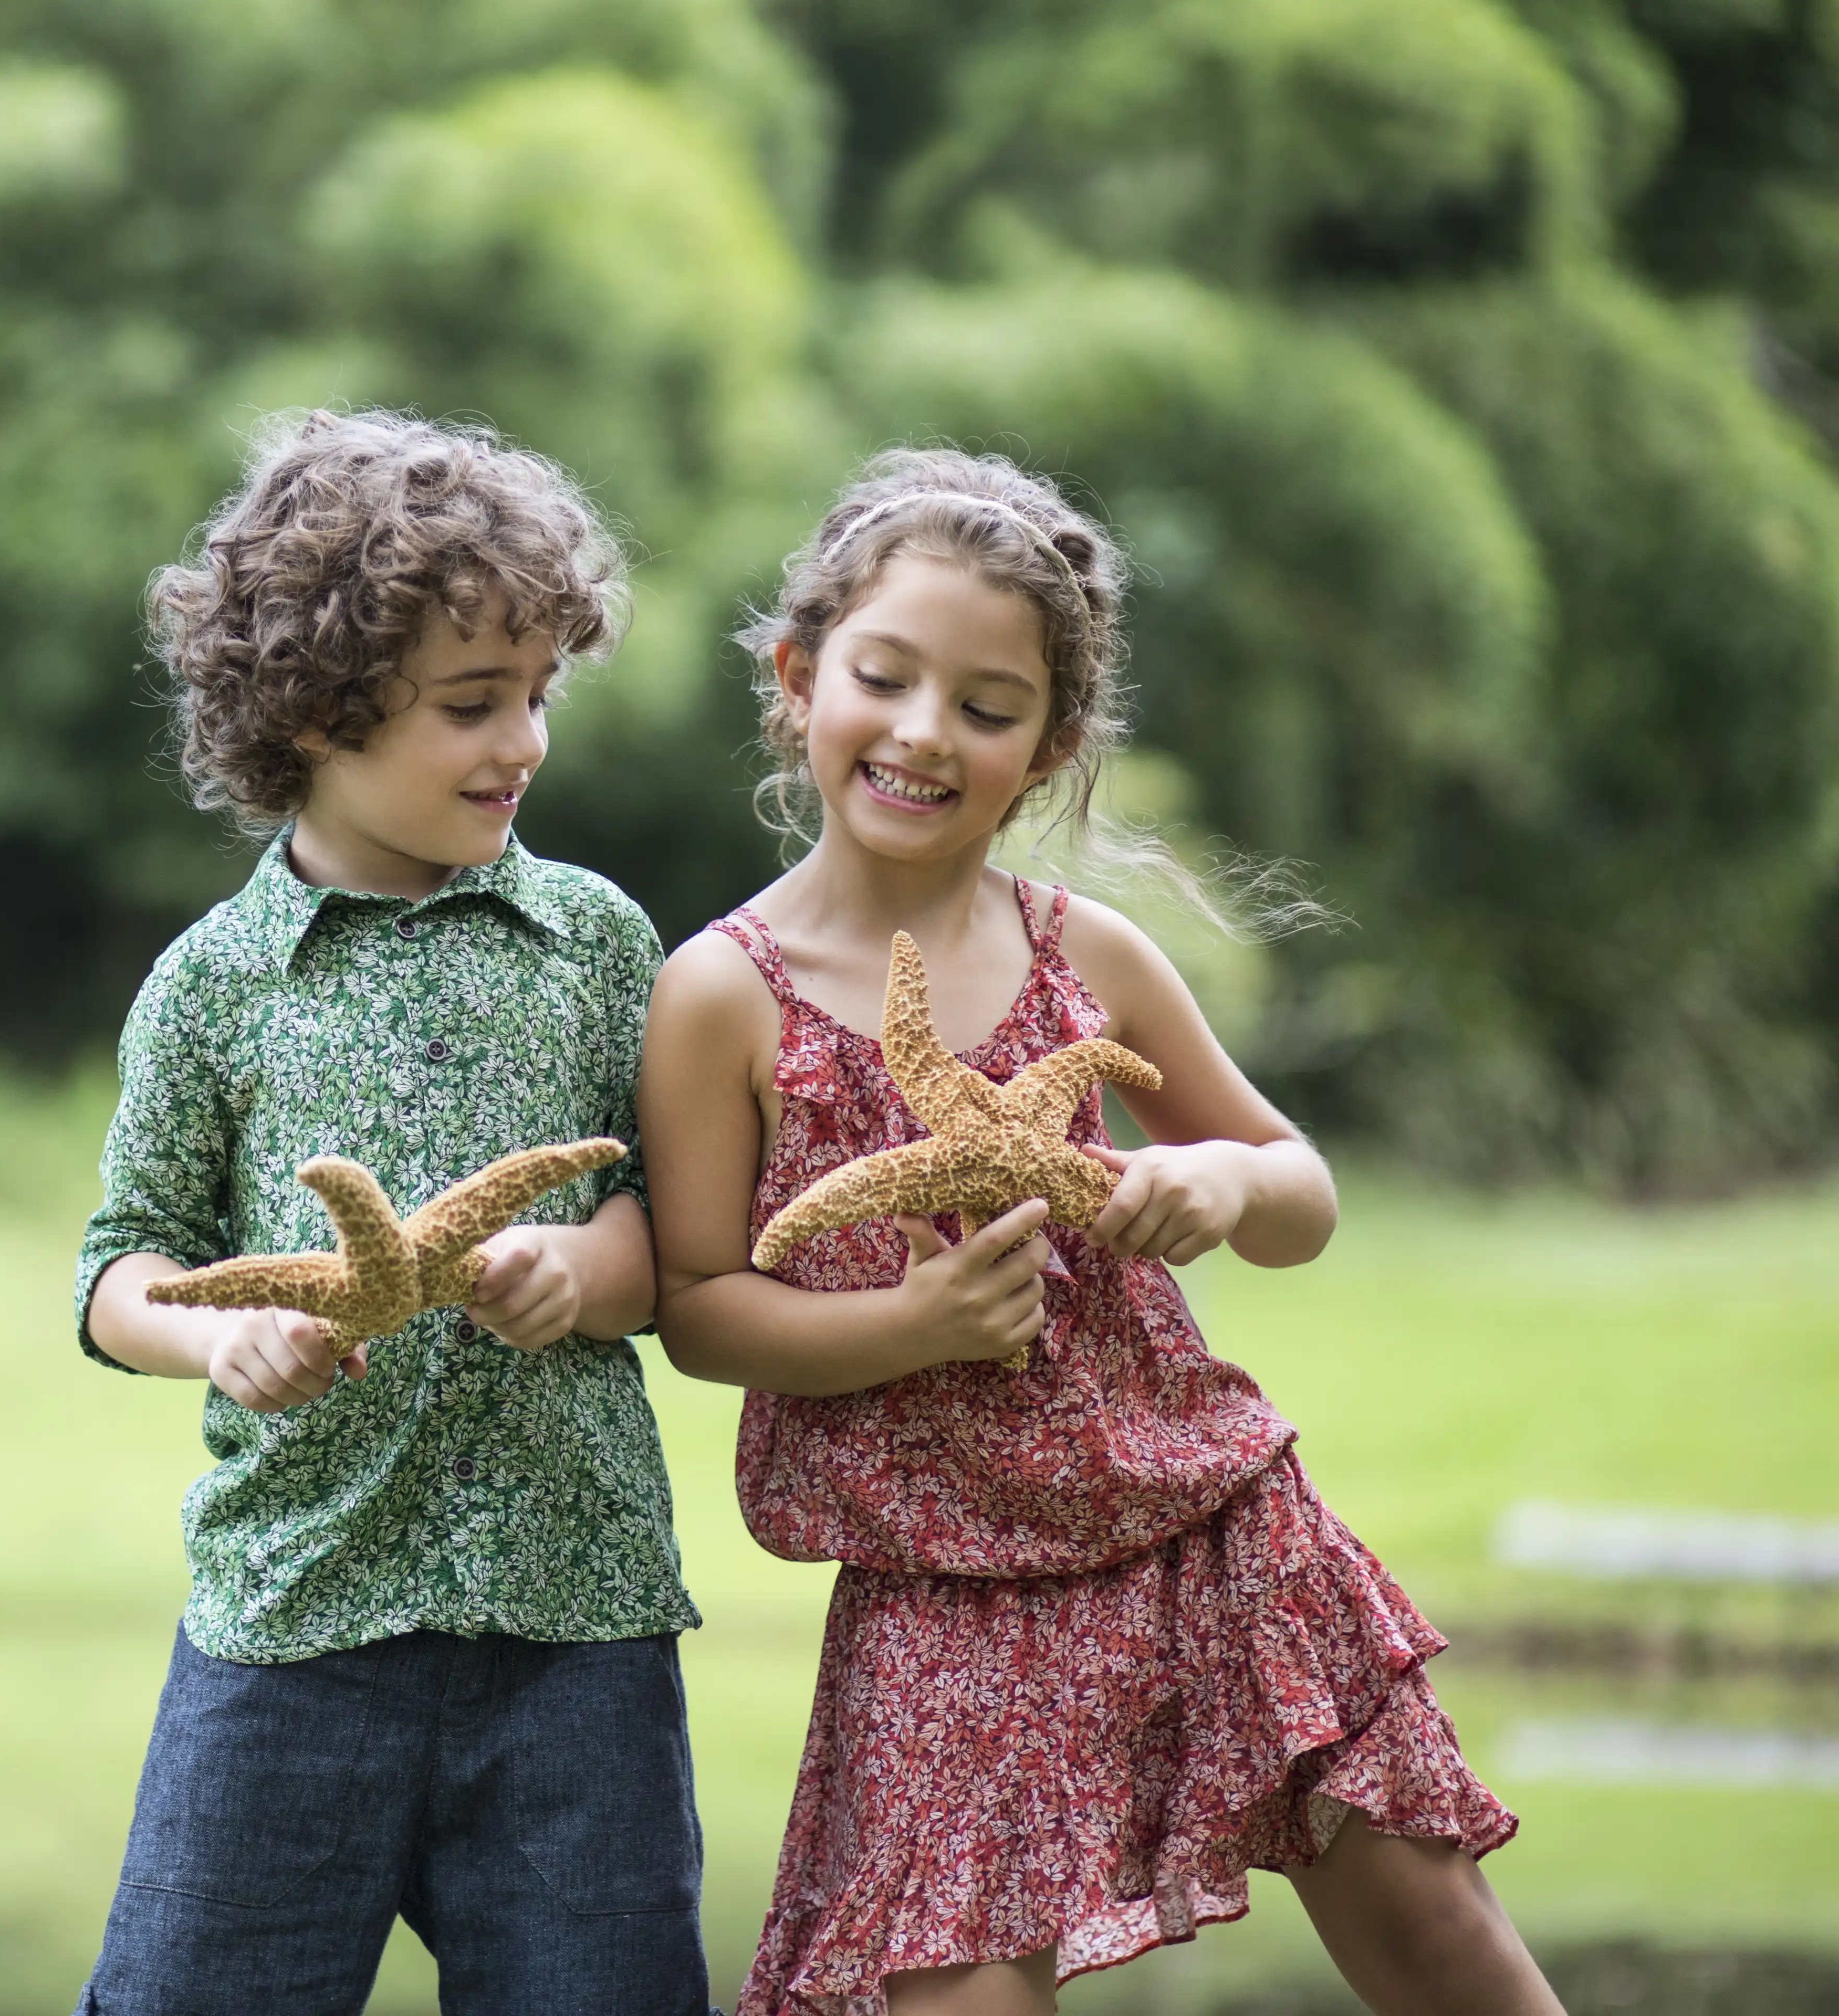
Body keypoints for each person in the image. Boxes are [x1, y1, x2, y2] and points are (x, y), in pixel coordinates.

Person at [637, 448, 1561, 2016]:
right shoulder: (722, 993)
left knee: (1436, 1934)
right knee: (954, 1995)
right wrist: (907, 1329)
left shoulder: (1091, 957)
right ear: (799, 681)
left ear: (1050, 746)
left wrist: (1222, 1185)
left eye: (989, 707)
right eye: (886, 677)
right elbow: (699, 1301)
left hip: (1206, 1526)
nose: (927, 732)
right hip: (944, 1586)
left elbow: (1300, 1190)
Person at [72, 408, 713, 2016]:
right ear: (315, 716)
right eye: (470, 706)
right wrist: (220, 1346)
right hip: (294, 1622)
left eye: (539, 696)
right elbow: (117, 1273)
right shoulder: (214, 985)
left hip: (574, 1623)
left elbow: (673, 1234)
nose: (525, 743)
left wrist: (584, 1269)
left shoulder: (595, 941)